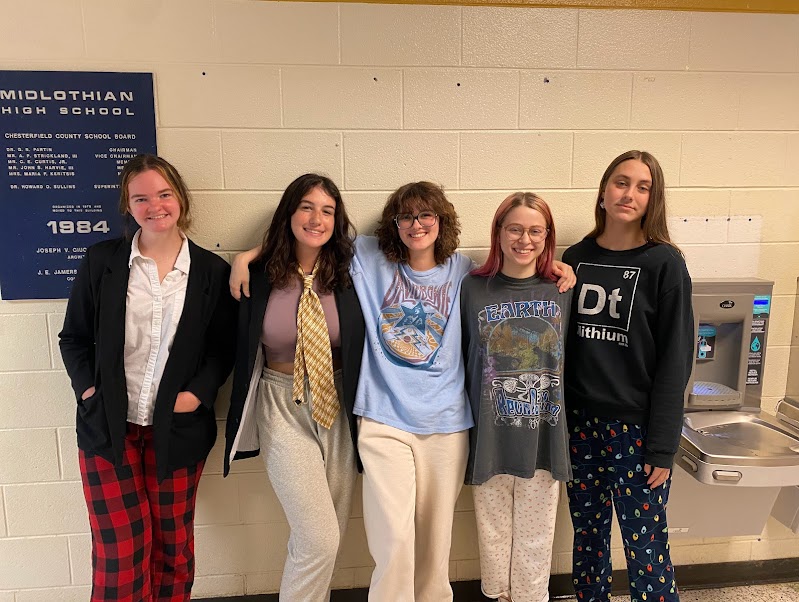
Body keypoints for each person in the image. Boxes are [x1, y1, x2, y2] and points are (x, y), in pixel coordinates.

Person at [230, 181, 575, 601]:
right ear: (393, 224)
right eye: (406, 216)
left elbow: (510, 280)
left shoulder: (465, 272)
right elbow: (313, 233)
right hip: (382, 419)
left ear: (441, 222)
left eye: (426, 215)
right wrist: (248, 255)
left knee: (435, 543)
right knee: (393, 540)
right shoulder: (369, 257)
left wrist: (556, 268)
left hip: (447, 423)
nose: (416, 225)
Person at [59, 154, 236, 601]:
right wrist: (90, 391)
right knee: (121, 555)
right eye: (141, 198)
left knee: (173, 550)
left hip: (176, 432)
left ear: (180, 198)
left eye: (163, 194)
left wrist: (197, 395)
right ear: (128, 205)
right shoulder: (103, 261)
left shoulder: (211, 272)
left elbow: (222, 349)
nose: (154, 206)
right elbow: (74, 338)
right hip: (108, 429)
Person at [224, 174, 365, 602]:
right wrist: (244, 255)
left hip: (337, 403)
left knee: (326, 537)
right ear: (289, 212)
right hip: (281, 402)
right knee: (318, 538)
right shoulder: (260, 275)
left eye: (327, 210)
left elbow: (411, 249)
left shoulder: (351, 270)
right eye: (306, 206)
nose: (316, 218)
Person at [562, 150, 694, 602]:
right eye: (621, 182)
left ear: (652, 199)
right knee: (588, 543)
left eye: (643, 186)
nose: (629, 193)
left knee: (646, 548)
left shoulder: (665, 264)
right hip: (580, 427)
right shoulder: (575, 258)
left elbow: (675, 361)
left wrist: (662, 444)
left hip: (636, 433)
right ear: (603, 190)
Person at [461, 192, 572, 602]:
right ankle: (497, 597)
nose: (524, 239)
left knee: (536, 537)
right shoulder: (472, 289)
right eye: (515, 228)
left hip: (543, 436)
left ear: (547, 236)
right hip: (489, 435)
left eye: (535, 230)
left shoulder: (562, 288)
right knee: (491, 533)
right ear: (499, 232)